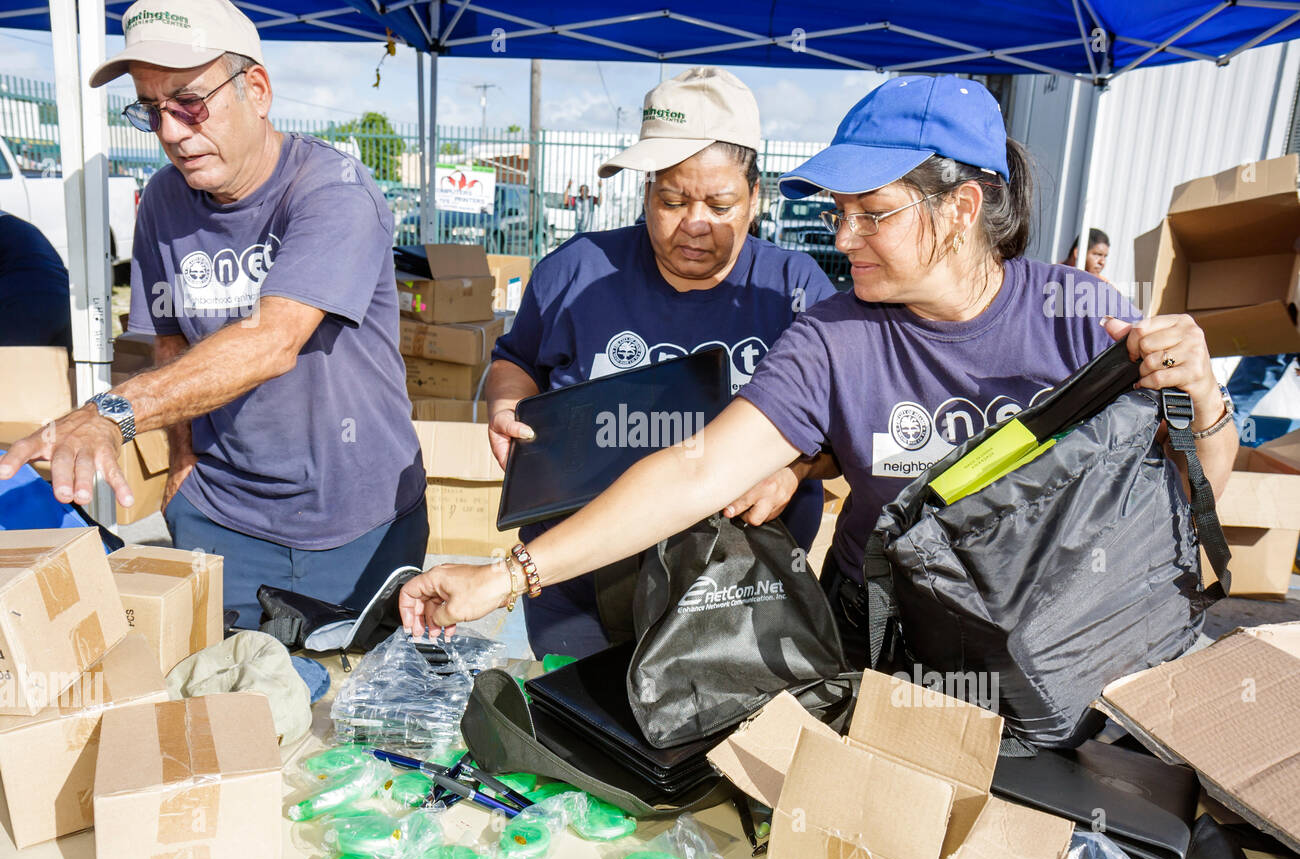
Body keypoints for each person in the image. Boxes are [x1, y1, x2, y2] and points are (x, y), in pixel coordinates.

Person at [401, 75, 1238, 669]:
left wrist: (1202, 395)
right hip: (884, 657)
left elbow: (1189, 500)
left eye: (871, 214)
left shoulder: (1084, 318)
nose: (841, 241)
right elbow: (694, 470)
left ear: (961, 210)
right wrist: (507, 576)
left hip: (1061, 659)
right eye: (839, 214)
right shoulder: (835, 336)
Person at [0, 0, 427, 629]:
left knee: (357, 712)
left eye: (189, 102)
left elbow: (271, 341)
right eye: (151, 109)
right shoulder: (164, 202)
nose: (171, 131)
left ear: (256, 90)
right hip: (221, 515)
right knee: (222, 705)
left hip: (356, 522)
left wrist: (111, 413)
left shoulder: (334, 191)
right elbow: (170, 338)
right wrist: (181, 464)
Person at [486, 66, 837, 658]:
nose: (693, 224)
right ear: (646, 189)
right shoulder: (576, 269)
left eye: (720, 203)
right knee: (580, 734)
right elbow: (512, 359)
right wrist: (505, 406)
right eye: (672, 199)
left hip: (736, 590)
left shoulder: (794, 291)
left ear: (755, 198)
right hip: (577, 582)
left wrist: (795, 469)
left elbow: (840, 434)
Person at [0, 212, 71, 350]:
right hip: (64, 302)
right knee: (53, 370)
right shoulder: (15, 224)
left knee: (11, 368)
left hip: (22, 304)